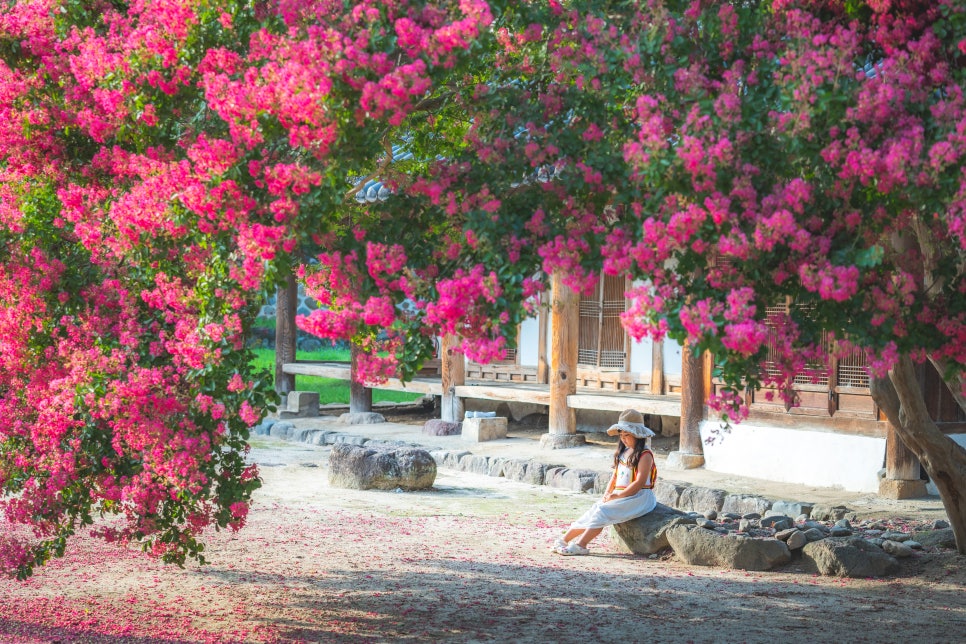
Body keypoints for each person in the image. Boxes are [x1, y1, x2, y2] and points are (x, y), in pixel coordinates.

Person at [552, 409, 657, 556]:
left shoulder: (645, 455)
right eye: (621, 435)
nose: (623, 439)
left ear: (638, 435)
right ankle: (564, 539)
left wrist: (618, 495)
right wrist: (608, 494)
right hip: (621, 495)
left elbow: (639, 482)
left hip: (638, 497)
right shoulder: (624, 452)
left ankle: (581, 544)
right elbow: (614, 477)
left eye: (627, 435)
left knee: (602, 512)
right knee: (596, 508)